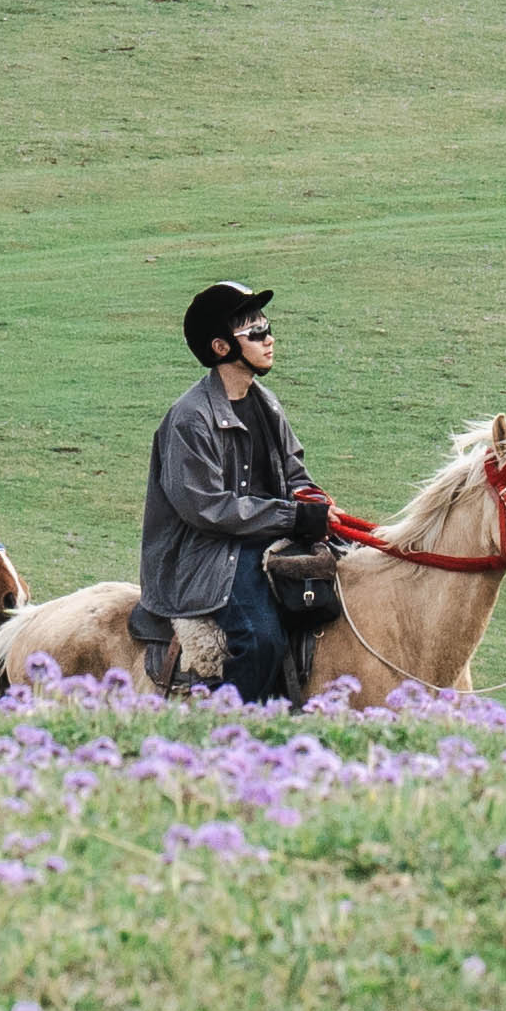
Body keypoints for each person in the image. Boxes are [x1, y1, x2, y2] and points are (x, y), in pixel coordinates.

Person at [136, 280, 334, 705]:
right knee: (260, 639)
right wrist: (293, 518)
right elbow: (207, 509)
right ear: (222, 347)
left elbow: (295, 472)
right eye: (256, 333)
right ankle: (225, 733)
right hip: (207, 555)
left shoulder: (266, 402)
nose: (269, 339)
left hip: (262, 538)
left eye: (267, 327)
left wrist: (313, 502)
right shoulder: (190, 420)